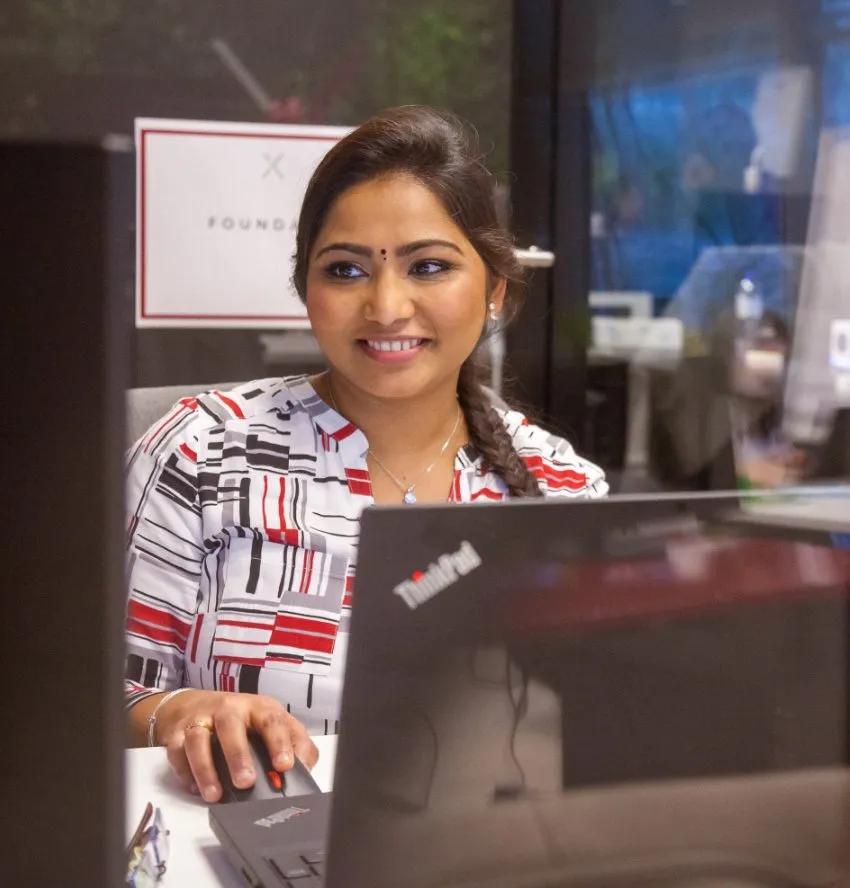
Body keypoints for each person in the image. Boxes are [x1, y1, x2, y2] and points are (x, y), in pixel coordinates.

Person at [124, 105, 608, 803]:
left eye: (430, 266)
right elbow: (86, 697)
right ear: (306, 290)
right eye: (346, 270)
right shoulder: (203, 454)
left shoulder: (561, 488)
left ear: (495, 290)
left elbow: (593, 725)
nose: (386, 306)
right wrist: (177, 712)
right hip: (252, 844)